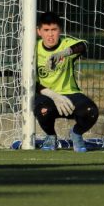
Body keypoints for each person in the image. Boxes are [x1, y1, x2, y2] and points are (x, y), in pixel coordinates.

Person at [34, 11, 98, 152]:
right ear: (39, 31)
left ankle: (76, 134)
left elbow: (84, 45)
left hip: (70, 94)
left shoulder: (66, 44)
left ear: (60, 30)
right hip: (48, 96)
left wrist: (63, 53)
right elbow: (29, 82)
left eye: (54, 30)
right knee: (43, 110)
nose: (50, 34)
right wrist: (54, 95)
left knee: (91, 111)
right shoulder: (33, 49)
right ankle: (51, 136)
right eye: (46, 30)